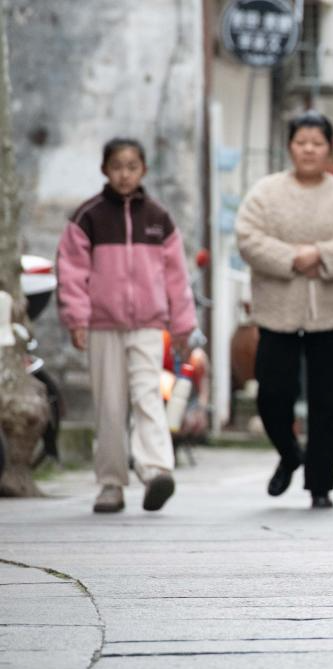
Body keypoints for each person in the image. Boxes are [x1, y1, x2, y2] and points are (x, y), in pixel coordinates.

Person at [236, 111, 333, 509]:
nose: (309, 149)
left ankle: (320, 486)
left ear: (328, 148)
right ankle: (288, 453)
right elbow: (247, 238)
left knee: (327, 401)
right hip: (276, 310)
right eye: (302, 142)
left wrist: (323, 254)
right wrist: (293, 258)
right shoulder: (266, 193)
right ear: (290, 147)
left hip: (331, 313)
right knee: (271, 394)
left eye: (317, 143)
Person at [57, 137, 196, 514]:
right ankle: (110, 484)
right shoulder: (88, 217)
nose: (124, 174)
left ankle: (155, 471)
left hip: (148, 325)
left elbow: (177, 278)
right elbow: (71, 273)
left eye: (132, 166)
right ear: (105, 169)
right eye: (117, 166)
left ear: (144, 170)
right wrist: (77, 318)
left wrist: (183, 327)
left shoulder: (159, 219)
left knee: (148, 395)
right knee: (110, 406)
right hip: (102, 326)